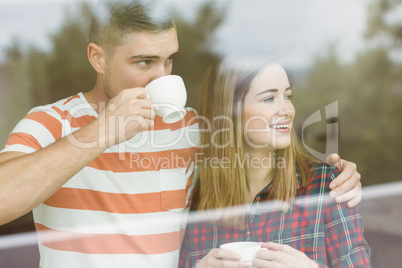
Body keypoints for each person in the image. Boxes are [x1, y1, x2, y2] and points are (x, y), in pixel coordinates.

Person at [0, 0, 361, 267]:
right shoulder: (52, 123)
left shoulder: (190, 130)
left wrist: (337, 174)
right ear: (98, 58)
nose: (162, 77)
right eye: (144, 62)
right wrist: (104, 132)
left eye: (168, 60)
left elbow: (257, 146)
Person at [179, 55, 371, 268]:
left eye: (288, 96)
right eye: (269, 99)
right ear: (229, 112)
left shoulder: (328, 185)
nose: (288, 110)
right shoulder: (196, 201)